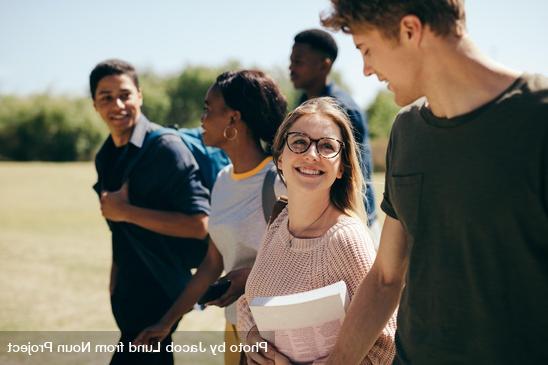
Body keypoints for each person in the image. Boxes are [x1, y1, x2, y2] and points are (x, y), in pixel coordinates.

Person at [320, 1, 548, 364]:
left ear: (410, 31)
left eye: (366, 50)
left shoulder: (538, 119)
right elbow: (385, 277)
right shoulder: (406, 131)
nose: (365, 70)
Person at [134, 70, 288, 365]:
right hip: (237, 328)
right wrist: (165, 323)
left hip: (277, 334)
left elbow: (307, 257)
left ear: (233, 119)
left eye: (208, 109)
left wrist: (247, 277)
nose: (201, 119)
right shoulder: (222, 180)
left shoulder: (279, 181)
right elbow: (212, 264)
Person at [237, 97, 396, 364]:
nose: (312, 154)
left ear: (341, 168)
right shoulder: (279, 222)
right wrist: (252, 337)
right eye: (299, 142)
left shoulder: (346, 239)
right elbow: (249, 302)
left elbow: (385, 344)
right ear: (280, 158)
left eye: (326, 146)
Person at [90, 59, 210, 365]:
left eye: (125, 95)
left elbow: (199, 224)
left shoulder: (166, 149)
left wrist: (126, 211)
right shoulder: (107, 155)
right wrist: (115, 280)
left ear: (139, 96)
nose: (117, 104)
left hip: (160, 291)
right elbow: (119, 229)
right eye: (106, 97)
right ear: (95, 105)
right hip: (129, 292)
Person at [289, 29, 380, 244]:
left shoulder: (345, 110)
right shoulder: (302, 105)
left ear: (324, 65)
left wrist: (351, 229)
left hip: (352, 225)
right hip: (317, 224)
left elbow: (356, 177)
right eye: (291, 61)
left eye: (299, 61)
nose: (291, 68)